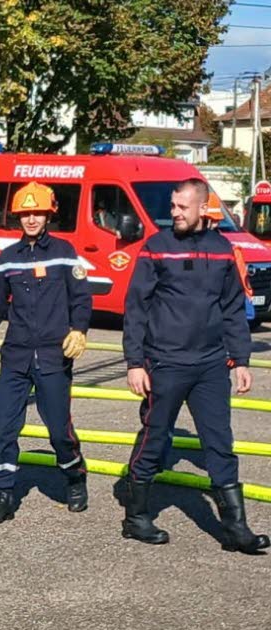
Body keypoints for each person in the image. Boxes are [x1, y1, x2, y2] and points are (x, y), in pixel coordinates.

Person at [122, 177, 269, 553]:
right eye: (173, 206)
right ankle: (136, 517)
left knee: (220, 444)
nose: (174, 212)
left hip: (210, 366)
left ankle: (235, 529)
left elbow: (233, 309)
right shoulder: (157, 247)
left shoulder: (223, 249)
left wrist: (240, 360)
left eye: (182, 207)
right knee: (155, 438)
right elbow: (136, 308)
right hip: (165, 362)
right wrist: (135, 363)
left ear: (204, 208)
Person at [0, 182, 90, 524]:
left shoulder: (65, 253)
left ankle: (75, 477)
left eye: (37, 213)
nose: (31, 219)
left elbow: (81, 298)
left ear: (49, 215)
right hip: (16, 357)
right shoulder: (8, 258)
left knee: (59, 430)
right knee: (4, 428)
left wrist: (79, 329)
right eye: (25, 214)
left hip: (53, 357)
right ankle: (3, 494)